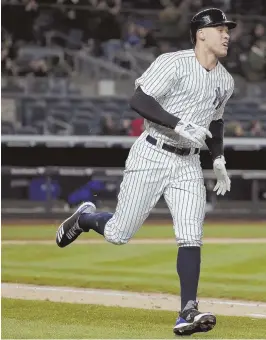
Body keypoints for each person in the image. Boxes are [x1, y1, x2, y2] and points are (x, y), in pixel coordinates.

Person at [55, 8, 236, 336]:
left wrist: (219, 158)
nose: (227, 34)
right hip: (152, 152)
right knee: (118, 234)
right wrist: (178, 123)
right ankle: (84, 218)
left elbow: (217, 121)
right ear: (201, 34)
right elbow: (138, 100)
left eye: (228, 29)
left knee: (190, 235)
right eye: (220, 28)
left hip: (187, 163)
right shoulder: (174, 63)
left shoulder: (225, 80)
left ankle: (187, 311)